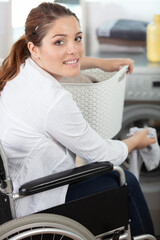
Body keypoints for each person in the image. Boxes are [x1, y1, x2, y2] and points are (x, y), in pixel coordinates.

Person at [0, 2, 156, 236]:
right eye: (59, 41)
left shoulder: (19, 69)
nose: (73, 49)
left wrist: (100, 63)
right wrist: (136, 141)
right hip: (38, 203)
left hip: (14, 194)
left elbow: (65, 57)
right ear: (34, 48)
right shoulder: (54, 101)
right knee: (126, 180)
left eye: (78, 38)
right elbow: (101, 154)